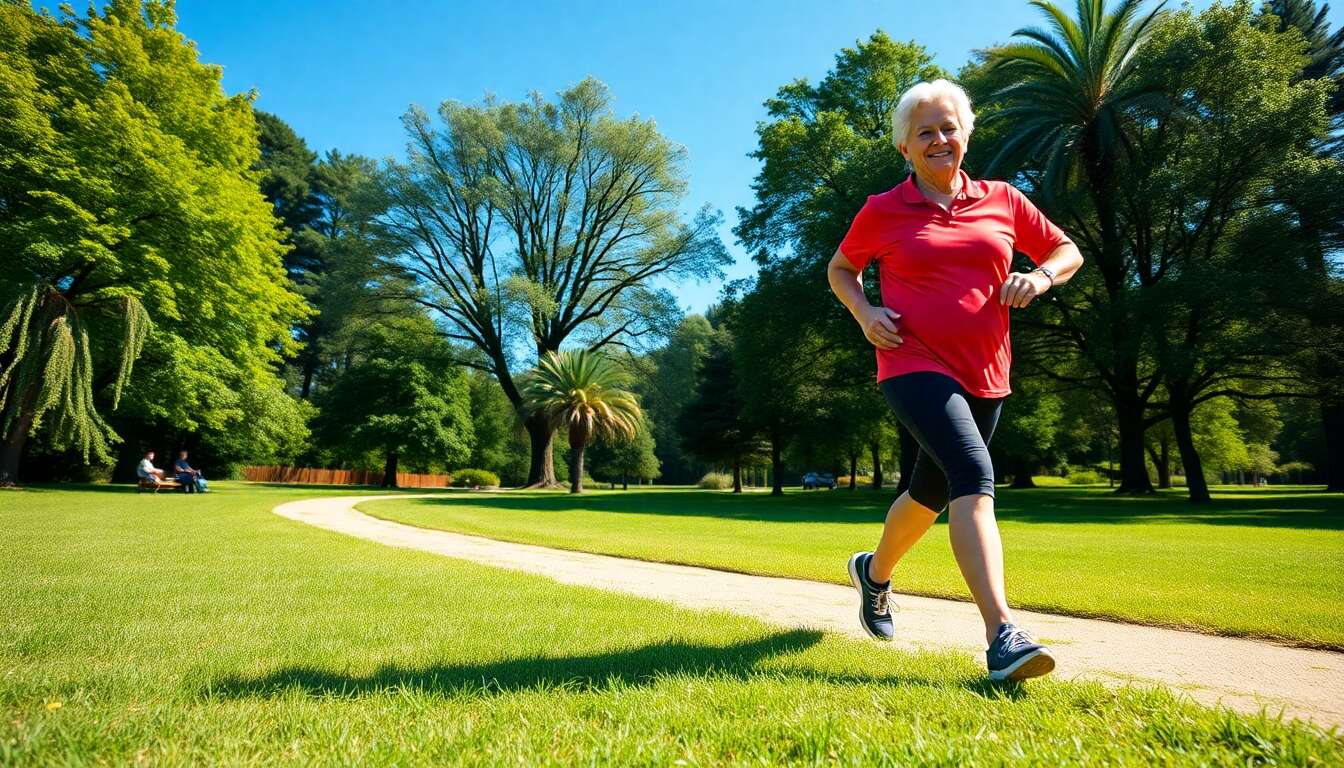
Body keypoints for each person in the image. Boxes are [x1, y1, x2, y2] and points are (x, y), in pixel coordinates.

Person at [826, 79, 1085, 682]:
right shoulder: (882, 210)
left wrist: (1040, 277)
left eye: (949, 128)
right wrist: (866, 314)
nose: (939, 140)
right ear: (906, 149)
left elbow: (1065, 250)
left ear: (966, 135)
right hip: (910, 361)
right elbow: (842, 268)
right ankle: (1003, 634)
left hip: (986, 373)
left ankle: (874, 573)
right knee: (974, 474)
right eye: (925, 133)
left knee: (930, 494)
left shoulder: (1003, 200)